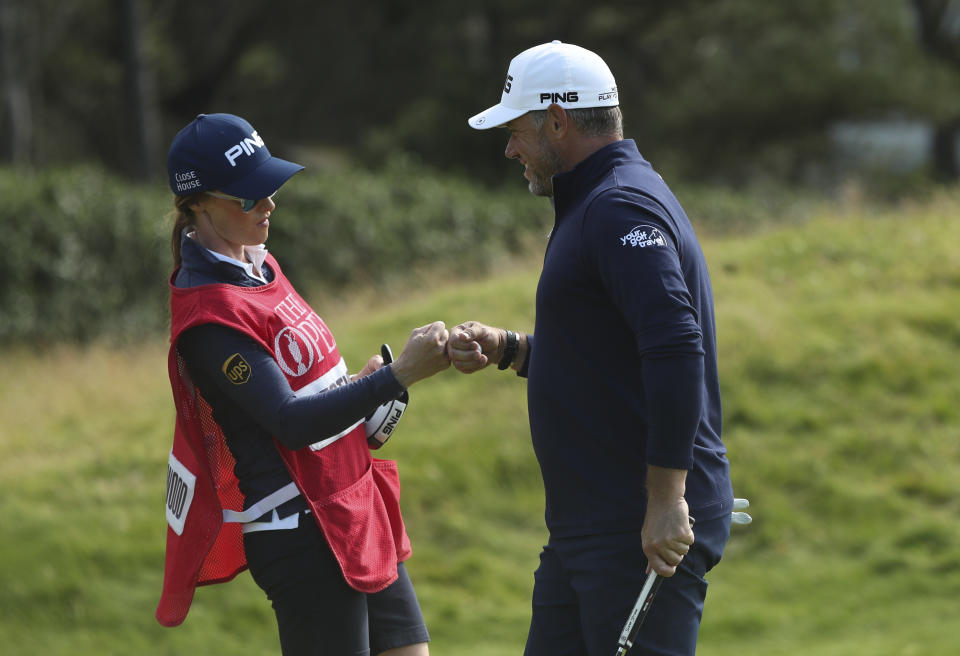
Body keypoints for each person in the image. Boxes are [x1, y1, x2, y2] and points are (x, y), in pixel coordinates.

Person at [448, 41, 735, 656]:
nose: (509, 148)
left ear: (558, 120)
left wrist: (666, 500)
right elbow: (604, 355)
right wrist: (511, 349)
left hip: (637, 530)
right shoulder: (598, 201)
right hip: (589, 528)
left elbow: (677, 348)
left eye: (516, 130)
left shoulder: (617, 206)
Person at [155, 112, 448, 656]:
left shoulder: (260, 264)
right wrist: (397, 375)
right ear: (199, 204)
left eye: (270, 187)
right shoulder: (209, 317)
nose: (267, 205)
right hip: (301, 530)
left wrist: (361, 388)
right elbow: (290, 422)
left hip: (352, 501)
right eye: (248, 197)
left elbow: (310, 387)